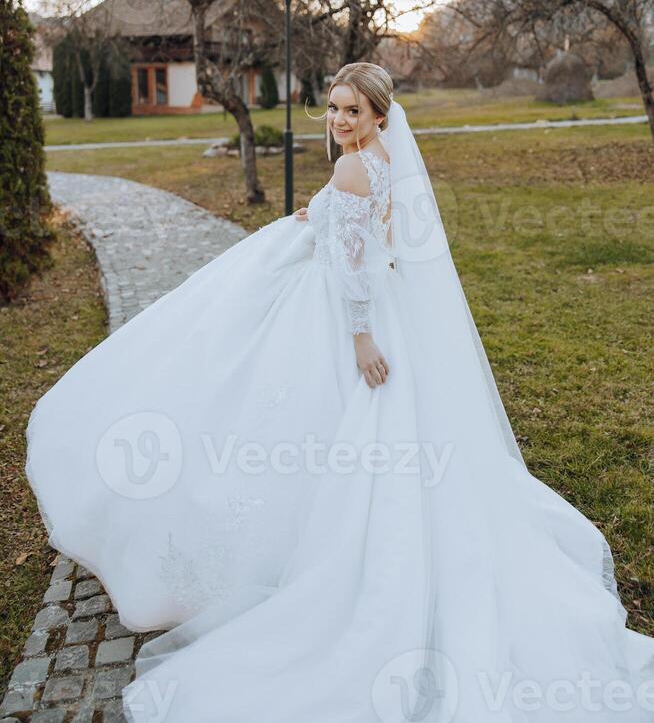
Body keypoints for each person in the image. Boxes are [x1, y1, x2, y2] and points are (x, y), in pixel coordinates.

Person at [25, 62, 653, 722]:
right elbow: (369, 231)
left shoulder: (354, 165)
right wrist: (318, 211)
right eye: (333, 108)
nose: (339, 120)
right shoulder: (379, 160)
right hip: (379, 303)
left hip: (340, 315)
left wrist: (358, 338)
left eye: (353, 110)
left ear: (380, 114)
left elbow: (353, 268)